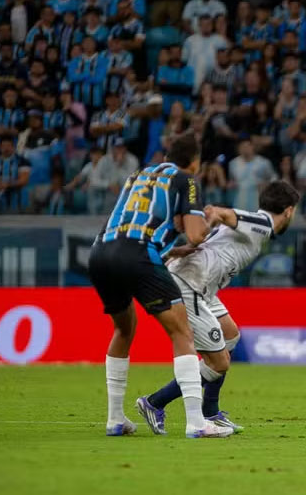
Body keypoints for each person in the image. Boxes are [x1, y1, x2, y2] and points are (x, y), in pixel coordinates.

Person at [87, 134, 232, 438]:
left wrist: (173, 240)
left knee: (124, 329)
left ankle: (115, 419)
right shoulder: (187, 180)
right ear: (195, 161)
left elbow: (139, 219)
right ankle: (197, 423)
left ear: (167, 156)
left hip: (100, 253)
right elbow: (196, 235)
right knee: (182, 333)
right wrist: (211, 222)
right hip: (138, 254)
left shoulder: (137, 175)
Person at [136, 181, 300, 435]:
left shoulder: (253, 224)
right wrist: (214, 214)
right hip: (189, 284)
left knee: (230, 335)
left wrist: (209, 223)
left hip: (202, 285)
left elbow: (225, 222)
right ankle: (155, 402)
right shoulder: (263, 223)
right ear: (289, 211)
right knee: (219, 363)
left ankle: (211, 410)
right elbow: (224, 214)